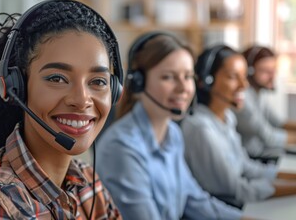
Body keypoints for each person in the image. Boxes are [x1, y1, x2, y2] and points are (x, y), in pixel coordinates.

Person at [0, 0, 123, 219]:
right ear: (16, 88)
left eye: (98, 81)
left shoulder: (86, 183)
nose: (82, 99)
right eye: (57, 78)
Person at [96, 32, 244, 220]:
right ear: (139, 83)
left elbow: (196, 201)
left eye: (188, 76)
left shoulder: (172, 134)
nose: (184, 88)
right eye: (168, 77)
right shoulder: (121, 148)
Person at [181, 44, 296, 208]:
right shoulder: (201, 129)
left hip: (241, 199)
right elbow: (236, 190)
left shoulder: (227, 117)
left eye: (244, 76)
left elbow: (246, 167)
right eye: (233, 77)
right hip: (226, 207)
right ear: (207, 80)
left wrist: (292, 178)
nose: (244, 85)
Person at [234, 45, 296, 160]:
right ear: (249, 71)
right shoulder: (243, 99)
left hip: (263, 153)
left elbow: (279, 122)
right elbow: (269, 137)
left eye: (273, 71)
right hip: (251, 158)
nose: (272, 76)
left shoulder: (258, 94)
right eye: (266, 71)